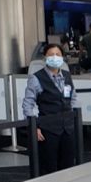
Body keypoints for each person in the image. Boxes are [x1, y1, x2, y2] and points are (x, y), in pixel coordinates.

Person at [22, 43, 78, 173]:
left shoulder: (66, 75)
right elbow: (28, 104)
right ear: (45, 58)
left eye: (58, 54)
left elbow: (73, 97)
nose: (55, 57)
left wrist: (73, 118)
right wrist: (33, 127)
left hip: (67, 129)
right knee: (49, 167)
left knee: (68, 166)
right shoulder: (36, 78)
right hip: (48, 130)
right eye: (51, 55)